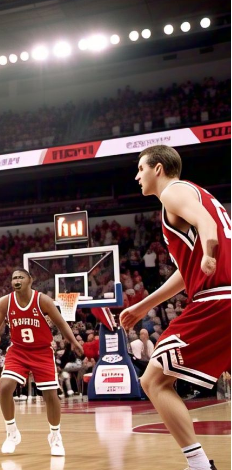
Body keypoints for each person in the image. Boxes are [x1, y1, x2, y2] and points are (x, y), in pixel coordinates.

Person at [121, 145, 230, 470]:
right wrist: (144, 305)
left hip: (216, 300)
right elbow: (187, 273)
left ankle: (198, 464)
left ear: (157, 168)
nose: (137, 175)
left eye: (141, 168)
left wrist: (209, 252)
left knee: (154, 381)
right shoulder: (196, 193)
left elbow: (205, 223)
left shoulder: (173, 192)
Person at [0, 269, 83, 457]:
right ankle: (11, 433)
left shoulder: (42, 300)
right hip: (18, 350)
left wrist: (73, 341)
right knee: (5, 387)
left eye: (20, 277)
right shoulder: (5, 302)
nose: (16, 280)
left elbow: (61, 323)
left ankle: (55, 436)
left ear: (30, 280)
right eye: (14, 277)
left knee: (50, 395)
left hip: (42, 352)